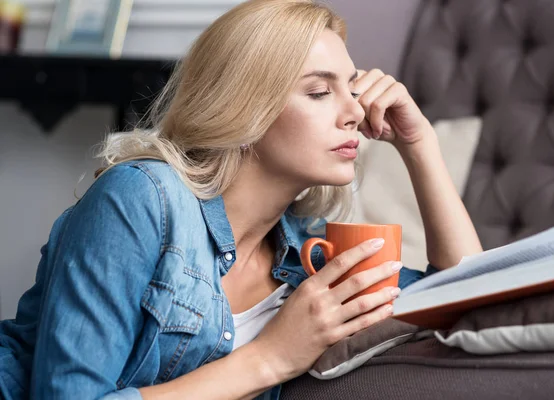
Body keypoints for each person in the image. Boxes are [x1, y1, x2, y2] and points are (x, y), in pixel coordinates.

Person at [0, 0, 482, 399]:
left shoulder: (309, 260)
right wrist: (270, 357)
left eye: (352, 90)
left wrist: (420, 146)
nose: (355, 111)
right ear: (244, 107)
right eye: (319, 92)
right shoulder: (142, 199)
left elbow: (469, 296)